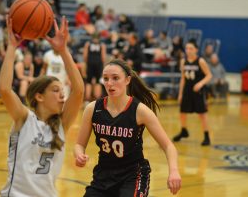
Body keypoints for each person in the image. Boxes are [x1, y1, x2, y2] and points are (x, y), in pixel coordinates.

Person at [0, 16, 84, 197]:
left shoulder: (62, 123)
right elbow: (5, 89)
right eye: (55, 90)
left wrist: (63, 50)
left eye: (62, 91)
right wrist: (12, 47)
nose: (62, 95)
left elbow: (78, 91)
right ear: (39, 96)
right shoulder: (24, 118)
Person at [74, 59, 181, 196]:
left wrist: (173, 171)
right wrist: (79, 154)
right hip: (103, 174)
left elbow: (168, 146)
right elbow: (79, 144)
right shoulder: (92, 109)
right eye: (106, 78)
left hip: (133, 175)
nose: (109, 83)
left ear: (127, 80)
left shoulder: (140, 111)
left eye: (115, 78)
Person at [173, 39, 212, 146]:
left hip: (198, 92)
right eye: (187, 48)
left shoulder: (200, 61)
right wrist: (180, 93)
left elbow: (209, 75)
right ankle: (184, 131)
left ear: (196, 50)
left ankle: (206, 136)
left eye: (191, 48)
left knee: (202, 114)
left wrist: (200, 83)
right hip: (187, 90)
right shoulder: (183, 61)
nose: (188, 50)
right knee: (182, 112)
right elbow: (183, 78)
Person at [83, 33, 106, 102]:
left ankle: (87, 101)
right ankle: (97, 101)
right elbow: (103, 58)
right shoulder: (102, 45)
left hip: (90, 64)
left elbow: (85, 57)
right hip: (98, 65)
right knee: (98, 82)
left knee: (89, 82)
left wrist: (88, 63)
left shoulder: (88, 44)